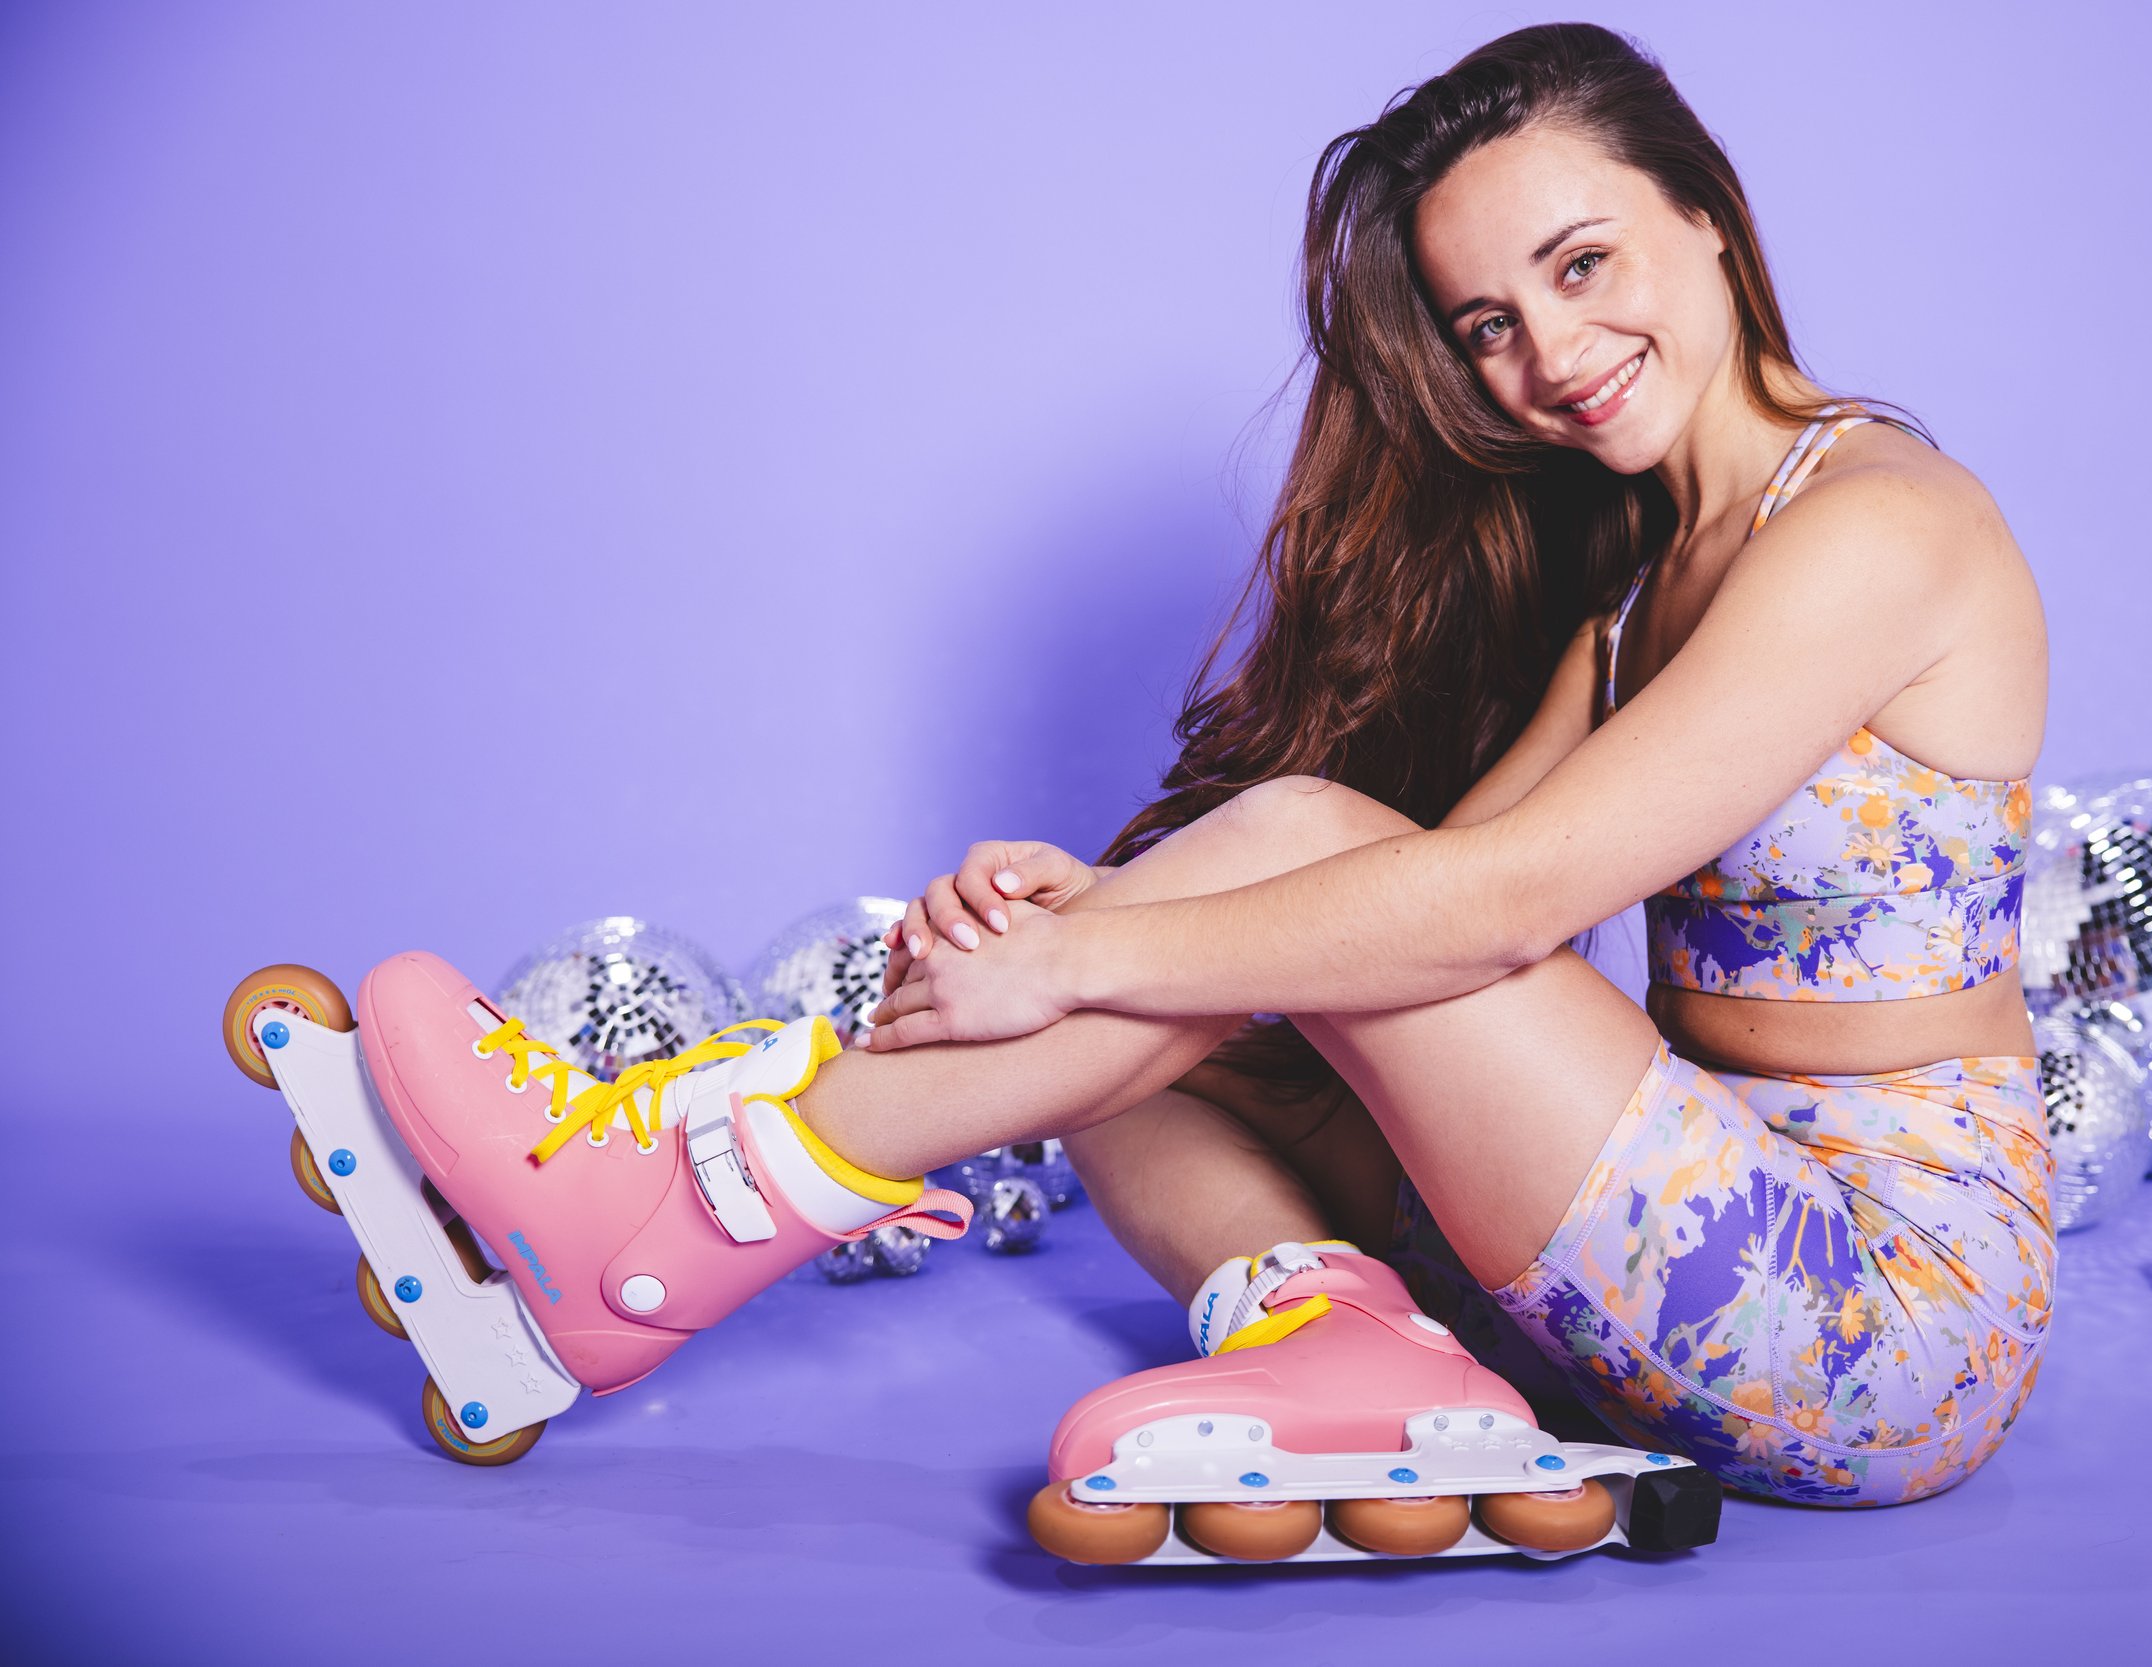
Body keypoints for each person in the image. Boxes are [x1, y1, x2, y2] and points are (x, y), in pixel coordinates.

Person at [355, 20, 2053, 1528]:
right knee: (1142, 1046)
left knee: (1202, 919)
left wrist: (1082, 958)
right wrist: (1099, 917)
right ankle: (1346, 1346)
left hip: (1873, 1314)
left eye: (1584, 263)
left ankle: (671, 1213)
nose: (1549, 352)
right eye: (1490, 322)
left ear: (1707, 213)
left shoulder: (1878, 525)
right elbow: (1380, 930)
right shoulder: (1625, 607)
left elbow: (1506, 906)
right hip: (1664, 1246)